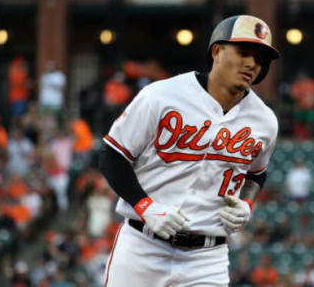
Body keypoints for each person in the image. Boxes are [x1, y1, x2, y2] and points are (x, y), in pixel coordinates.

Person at [99, 14, 280, 286]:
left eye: (260, 59)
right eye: (244, 52)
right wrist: (145, 206)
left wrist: (247, 202)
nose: (252, 63)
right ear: (217, 51)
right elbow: (112, 155)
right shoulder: (161, 95)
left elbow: (256, 173)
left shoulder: (264, 121)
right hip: (142, 247)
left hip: (207, 258)